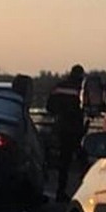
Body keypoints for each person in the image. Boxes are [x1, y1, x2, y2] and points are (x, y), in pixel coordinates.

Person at [46, 64, 86, 202]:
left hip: (63, 128)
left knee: (64, 163)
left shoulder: (59, 87)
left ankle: (60, 192)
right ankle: (85, 192)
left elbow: (49, 107)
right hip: (78, 129)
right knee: (83, 162)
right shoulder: (82, 88)